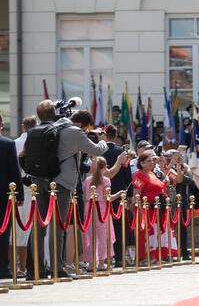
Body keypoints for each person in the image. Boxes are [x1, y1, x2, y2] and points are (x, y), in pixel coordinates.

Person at [25, 103, 108, 281]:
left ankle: (36, 270)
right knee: (59, 226)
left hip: (39, 180)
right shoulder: (74, 132)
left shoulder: (45, 128)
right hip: (62, 183)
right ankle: (57, 268)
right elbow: (96, 150)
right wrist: (102, 140)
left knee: (39, 226)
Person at [132, 149, 178, 262]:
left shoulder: (152, 173)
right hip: (148, 210)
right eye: (148, 161)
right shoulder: (139, 175)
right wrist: (140, 209)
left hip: (159, 208)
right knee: (150, 234)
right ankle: (147, 256)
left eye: (152, 161)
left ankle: (157, 256)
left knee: (159, 233)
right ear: (141, 163)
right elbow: (136, 193)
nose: (152, 163)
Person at [82, 156, 125, 271]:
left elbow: (86, 196)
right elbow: (108, 198)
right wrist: (119, 194)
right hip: (102, 210)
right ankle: (101, 263)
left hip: (89, 209)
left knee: (91, 237)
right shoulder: (106, 180)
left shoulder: (87, 180)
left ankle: (91, 263)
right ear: (104, 167)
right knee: (102, 237)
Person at [101, 124, 131, 266]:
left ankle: (105, 257)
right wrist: (129, 195)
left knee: (102, 225)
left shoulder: (98, 151)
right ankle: (119, 257)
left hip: (101, 192)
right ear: (116, 135)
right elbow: (127, 176)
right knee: (118, 226)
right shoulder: (122, 152)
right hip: (119, 192)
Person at [0, 115, 24, 279]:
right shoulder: (8, 144)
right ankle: (2, 268)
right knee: (3, 233)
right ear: (1, 125)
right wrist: (20, 195)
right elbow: (14, 172)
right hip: (3, 195)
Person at [12, 115, 37, 278]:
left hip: (15, 188)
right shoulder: (35, 143)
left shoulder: (13, 143)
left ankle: (13, 266)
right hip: (29, 188)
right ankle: (22, 266)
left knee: (14, 229)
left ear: (23, 126)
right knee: (25, 229)